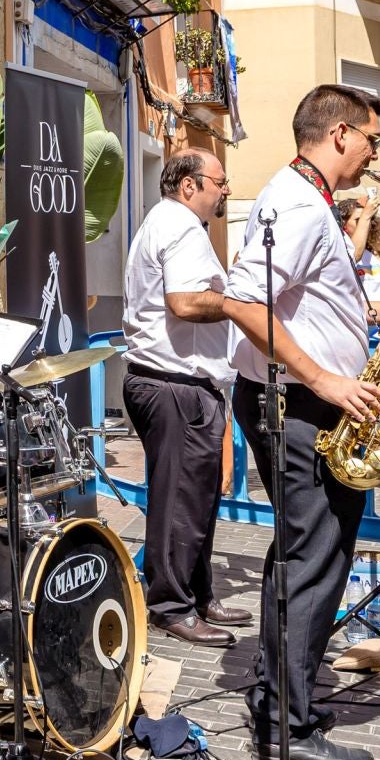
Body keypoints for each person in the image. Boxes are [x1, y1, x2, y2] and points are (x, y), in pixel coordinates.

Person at [224, 83, 380, 760]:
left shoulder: (301, 200)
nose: (376, 153)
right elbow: (244, 302)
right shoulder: (298, 205)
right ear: (340, 133)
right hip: (301, 407)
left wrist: (377, 314)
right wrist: (325, 380)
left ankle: (275, 697)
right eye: (372, 138)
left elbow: (302, 300)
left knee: (301, 556)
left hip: (295, 401)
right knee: (317, 559)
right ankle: (289, 722)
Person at [121, 147, 250, 646]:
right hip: (176, 384)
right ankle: (171, 606)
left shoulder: (170, 223)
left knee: (195, 499)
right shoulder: (179, 226)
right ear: (189, 184)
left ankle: (196, 594)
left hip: (179, 383)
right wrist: (242, 304)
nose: (226, 190)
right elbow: (185, 302)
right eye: (219, 181)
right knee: (179, 501)